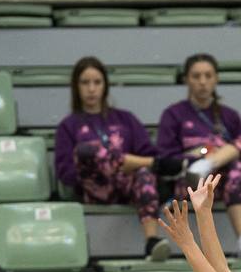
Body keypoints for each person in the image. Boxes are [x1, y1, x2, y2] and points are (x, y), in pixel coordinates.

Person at [55, 56, 183, 260]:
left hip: (127, 184)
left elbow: (147, 151)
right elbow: (66, 173)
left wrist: (123, 164)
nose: (91, 89)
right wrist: (102, 165)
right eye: (85, 82)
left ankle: (151, 241)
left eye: (97, 82)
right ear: (76, 87)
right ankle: (137, 164)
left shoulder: (125, 119)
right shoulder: (68, 126)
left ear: (105, 85)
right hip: (94, 187)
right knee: (87, 150)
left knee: (144, 172)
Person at [156, 53, 241, 260]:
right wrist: (193, 157)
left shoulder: (230, 116)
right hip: (188, 183)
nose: (202, 82)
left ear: (216, 78)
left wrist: (212, 157)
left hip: (226, 179)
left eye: (208, 76)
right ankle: (204, 164)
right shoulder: (173, 114)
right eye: (196, 76)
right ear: (187, 80)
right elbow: (164, 162)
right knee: (233, 167)